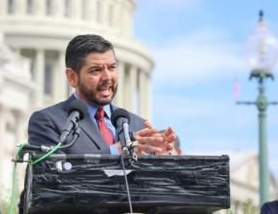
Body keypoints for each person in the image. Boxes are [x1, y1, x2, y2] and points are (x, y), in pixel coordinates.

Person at [28, 34, 177, 155]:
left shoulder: (137, 125)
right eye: (96, 70)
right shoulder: (49, 122)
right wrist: (116, 152)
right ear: (72, 77)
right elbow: (52, 177)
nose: (107, 77)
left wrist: (160, 161)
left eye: (112, 68)